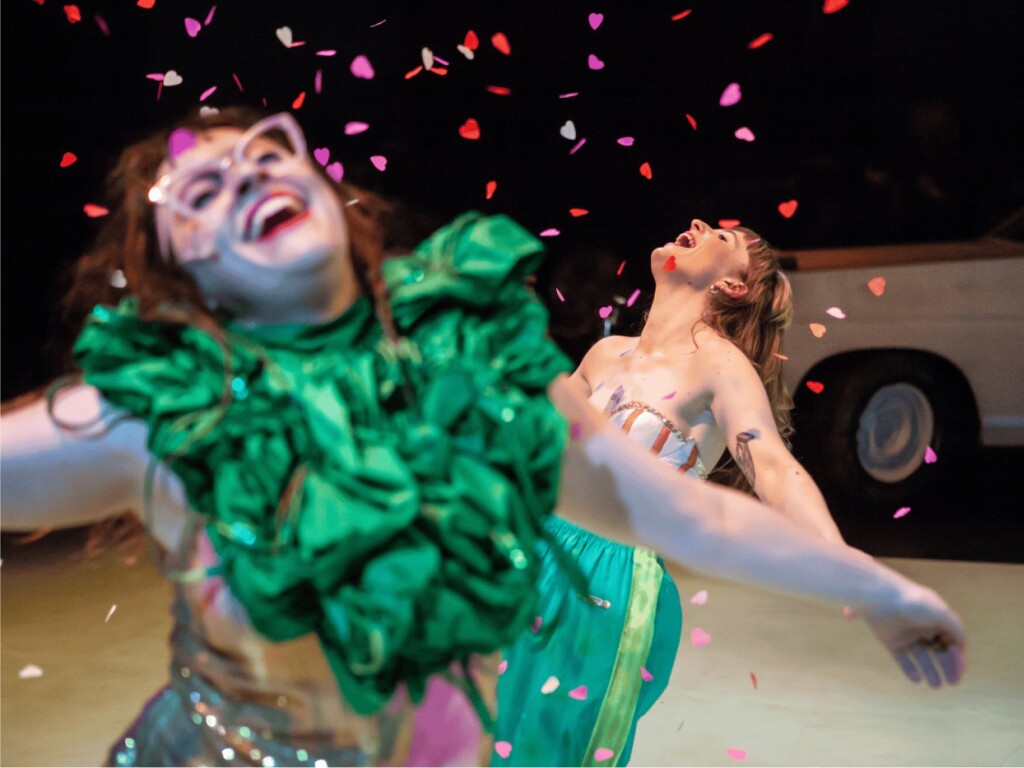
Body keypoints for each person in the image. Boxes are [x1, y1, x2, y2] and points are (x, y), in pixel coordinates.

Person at [1, 107, 965, 768]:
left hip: (579, 599)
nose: (246, 172)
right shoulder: (156, 415)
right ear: (176, 262)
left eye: (267, 150)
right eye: (201, 188)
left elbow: (707, 503)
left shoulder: (475, 364)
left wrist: (871, 584)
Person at [495, 219, 919, 767]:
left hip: (609, 579)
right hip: (534, 554)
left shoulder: (719, 366)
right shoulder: (605, 354)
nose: (697, 223)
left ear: (732, 285)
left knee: (544, 752)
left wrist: (843, 565)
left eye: (723, 236)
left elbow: (771, 466)